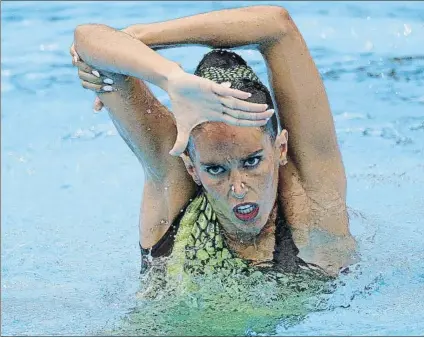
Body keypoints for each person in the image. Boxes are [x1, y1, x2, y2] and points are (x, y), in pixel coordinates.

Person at [70, 5, 357, 277]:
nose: (239, 188)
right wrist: (169, 76)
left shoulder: (310, 201)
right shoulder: (175, 188)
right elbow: (88, 39)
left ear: (281, 148)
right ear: (192, 168)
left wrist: (139, 38)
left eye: (252, 161)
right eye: (215, 169)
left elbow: (277, 26)